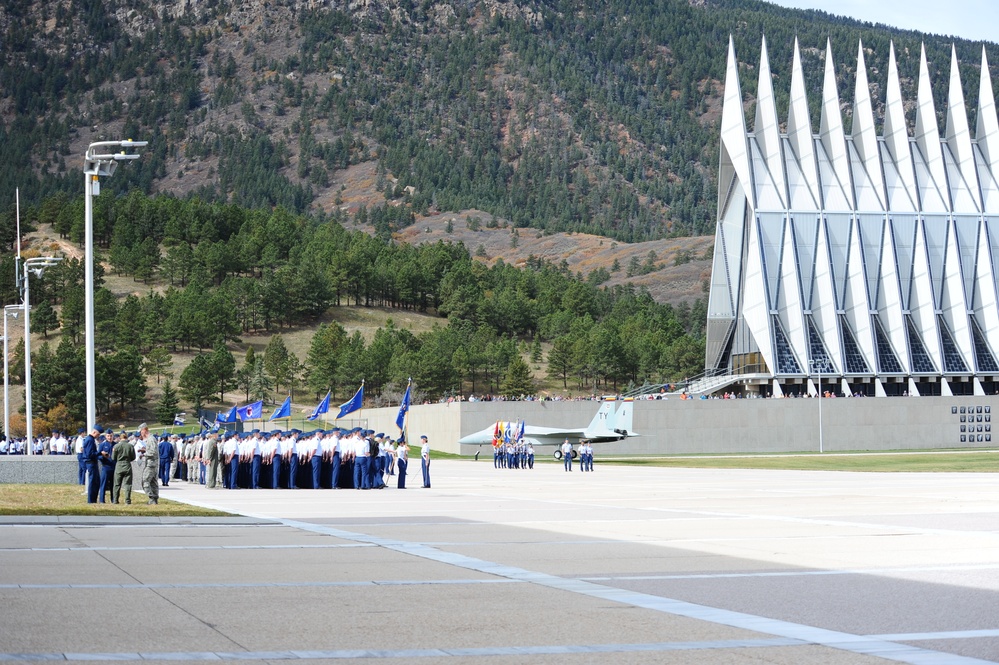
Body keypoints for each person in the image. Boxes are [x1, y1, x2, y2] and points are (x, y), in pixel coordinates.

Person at [111, 429, 136, 504]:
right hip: (127, 465)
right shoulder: (130, 446)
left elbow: (113, 458)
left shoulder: (116, 446)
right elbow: (133, 457)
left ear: (120, 437)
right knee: (128, 484)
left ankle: (115, 500)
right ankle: (127, 500)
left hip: (119, 465)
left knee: (117, 484)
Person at [139, 426, 159, 504]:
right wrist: (144, 450)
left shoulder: (151, 439)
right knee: (153, 482)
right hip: (152, 463)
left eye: (141, 431)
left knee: (145, 481)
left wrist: (144, 455)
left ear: (145, 430)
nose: (141, 433)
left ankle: (152, 498)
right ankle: (155, 499)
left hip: (151, 464)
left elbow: (153, 452)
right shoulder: (150, 439)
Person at [82, 425, 102, 503]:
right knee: (93, 481)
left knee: (95, 481)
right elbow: (90, 454)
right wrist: (100, 453)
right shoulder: (90, 440)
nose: (98, 436)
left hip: (91, 462)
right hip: (91, 462)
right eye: (98, 434)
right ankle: (91, 500)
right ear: (94, 432)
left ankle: (93, 499)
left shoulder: (89, 439)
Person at [97, 431, 114, 503]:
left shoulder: (115, 445)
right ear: (106, 437)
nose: (109, 437)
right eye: (108, 436)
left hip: (113, 466)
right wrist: (103, 457)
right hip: (106, 466)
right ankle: (102, 500)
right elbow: (98, 455)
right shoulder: (102, 445)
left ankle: (113, 500)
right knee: (103, 484)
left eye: (111, 436)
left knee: (113, 485)